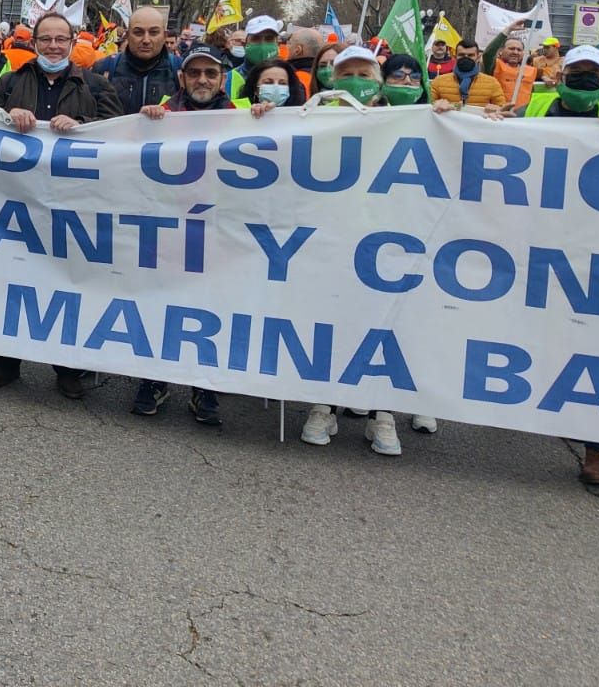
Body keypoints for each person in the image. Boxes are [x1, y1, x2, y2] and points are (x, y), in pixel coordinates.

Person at [507, 44, 599, 486]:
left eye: (591, 74)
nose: (584, 80)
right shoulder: (536, 106)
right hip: (542, 242)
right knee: (558, 337)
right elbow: (499, 137)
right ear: (560, 76)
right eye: (576, 72)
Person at [134, 46, 277, 425]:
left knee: (213, 308)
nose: (202, 80)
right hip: (168, 229)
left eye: (210, 74)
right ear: (182, 78)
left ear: (221, 79)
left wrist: (267, 121)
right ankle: (155, 379)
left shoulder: (241, 116)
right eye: (194, 72)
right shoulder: (163, 114)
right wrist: (145, 124)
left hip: (221, 232)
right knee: (162, 305)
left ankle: (204, 385)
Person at [0, 12, 113, 399]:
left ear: (72, 42)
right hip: (18, 199)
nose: (53, 46)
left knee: (66, 284)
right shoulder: (12, 81)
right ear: (34, 43)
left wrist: (84, 123)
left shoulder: (96, 85)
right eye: (45, 39)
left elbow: (119, 129)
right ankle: (6, 362)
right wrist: (7, 113)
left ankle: (67, 368)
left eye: (60, 39)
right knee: (13, 281)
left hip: (72, 205)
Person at [300, 45, 411, 455]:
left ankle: (382, 416)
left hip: (389, 239)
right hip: (331, 236)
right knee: (330, 322)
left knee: (384, 324)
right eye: (347, 72)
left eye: (365, 73)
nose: (356, 80)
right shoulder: (317, 114)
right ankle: (322, 406)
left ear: (379, 82)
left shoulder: (408, 116)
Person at [91, 6, 174, 114]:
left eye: (153, 32)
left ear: (164, 36)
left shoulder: (179, 71)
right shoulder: (103, 69)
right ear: (128, 35)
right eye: (138, 33)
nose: (146, 40)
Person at [429, 39, 506, 110]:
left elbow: (502, 109)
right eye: (461, 55)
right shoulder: (439, 82)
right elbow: (427, 106)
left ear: (478, 57)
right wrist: (436, 104)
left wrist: (496, 109)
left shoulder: (491, 83)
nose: (466, 58)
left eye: (470, 55)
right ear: (455, 56)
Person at [483, 22, 539, 109]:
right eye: (511, 48)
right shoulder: (495, 65)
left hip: (522, 117)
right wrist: (508, 30)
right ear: (501, 51)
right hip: (498, 115)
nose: (515, 52)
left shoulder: (531, 70)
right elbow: (488, 53)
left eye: (519, 50)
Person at [239, 57, 307, 108]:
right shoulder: (238, 110)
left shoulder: (304, 114)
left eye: (282, 83)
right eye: (268, 82)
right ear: (255, 89)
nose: (276, 87)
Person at [284, 27, 325, 93]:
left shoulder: (293, 78)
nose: (287, 46)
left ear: (298, 50)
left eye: (289, 43)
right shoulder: (327, 76)